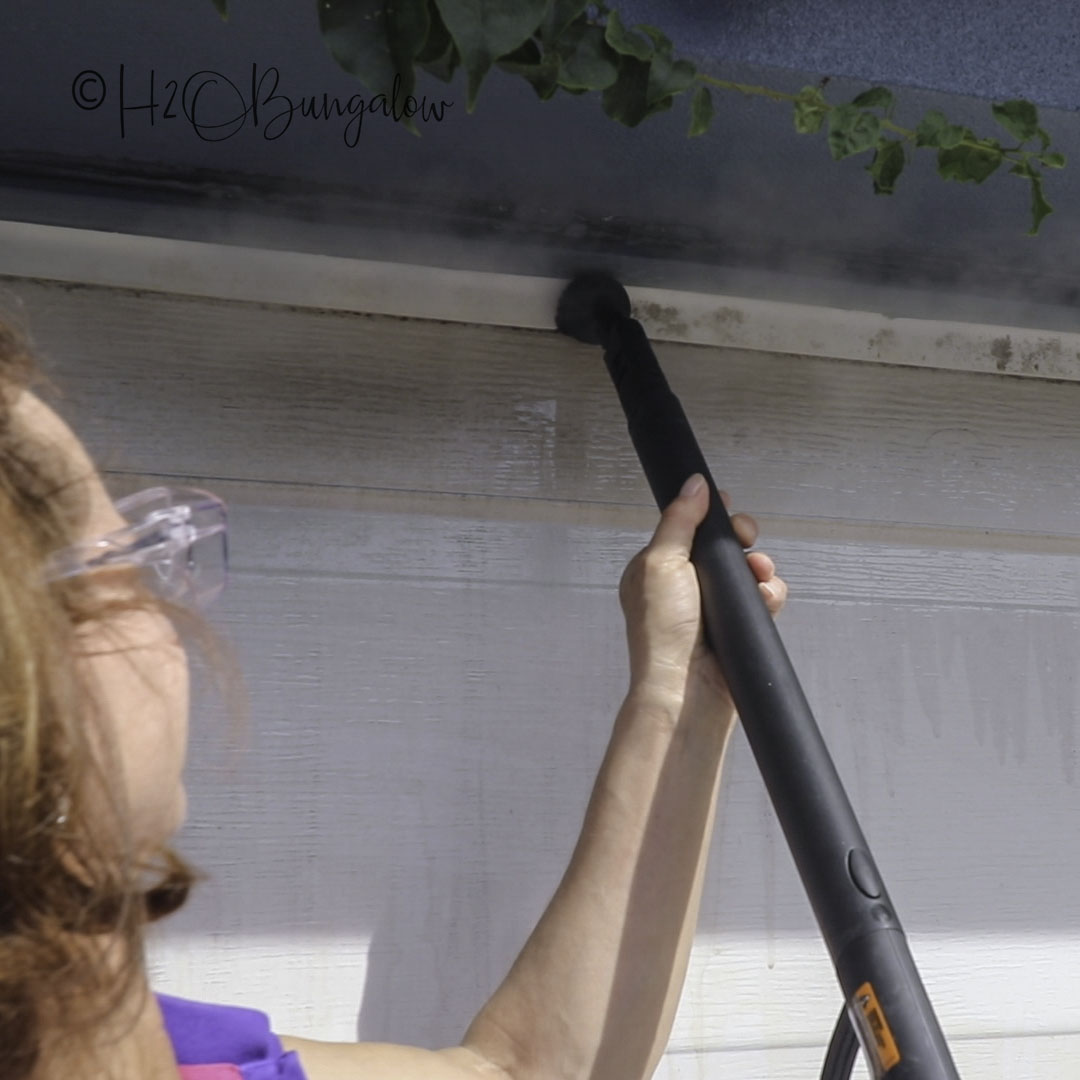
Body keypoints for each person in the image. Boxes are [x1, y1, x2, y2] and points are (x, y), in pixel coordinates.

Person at [0, 314, 786, 1080]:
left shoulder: (148, 1046)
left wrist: (680, 690)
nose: (177, 622)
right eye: (131, 570)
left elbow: (523, 1071)